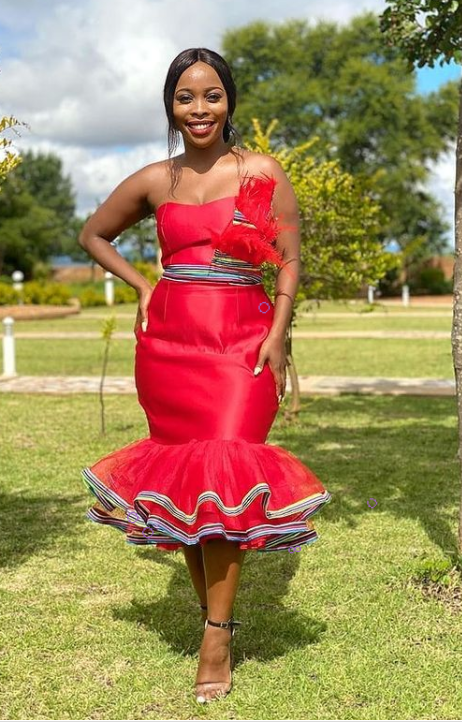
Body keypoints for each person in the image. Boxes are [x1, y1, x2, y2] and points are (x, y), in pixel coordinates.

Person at [79, 47, 332, 704]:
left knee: (227, 468)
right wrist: (140, 284)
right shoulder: (155, 179)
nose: (199, 109)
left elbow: (288, 261)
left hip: (243, 340)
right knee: (193, 482)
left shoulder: (261, 171)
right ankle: (215, 621)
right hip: (170, 341)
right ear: (171, 104)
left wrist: (277, 335)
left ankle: (215, 636)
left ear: (230, 101)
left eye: (211, 95)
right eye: (186, 96)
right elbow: (93, 234)